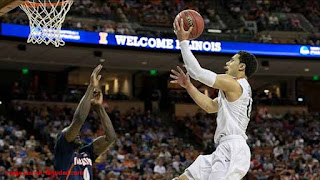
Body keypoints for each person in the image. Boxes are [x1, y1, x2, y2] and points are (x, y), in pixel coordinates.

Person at [171, 18, 258, 180]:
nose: (227, 63)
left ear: (242, 67)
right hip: (224, 148)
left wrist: (183, 42)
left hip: (233, 149)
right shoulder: (236, 91)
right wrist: (189, 86)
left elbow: (197, 72)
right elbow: (210, 106)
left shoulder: (234, 84)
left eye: (232, 60)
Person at [54, 65, 117, 179]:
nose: (76, 134)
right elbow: (78, 121)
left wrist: (99, 107)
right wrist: (91, 86)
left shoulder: (86, 152)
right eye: (69, 131)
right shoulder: (63, 152)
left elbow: (111, 137)